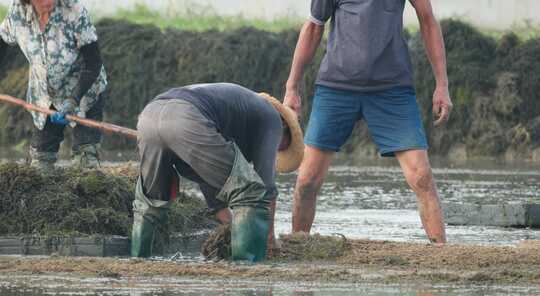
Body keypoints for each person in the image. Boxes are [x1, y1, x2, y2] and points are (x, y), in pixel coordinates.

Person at [284, 0, 452, 244]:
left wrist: (442, 85)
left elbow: (427, 21)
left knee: (422, 176)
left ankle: (442, 254)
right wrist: (292, 87)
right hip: (336, 87)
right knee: (307, 179)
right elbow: (313, 27)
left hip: (391, 88)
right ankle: (298, 245)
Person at [132, 83, 303, 262]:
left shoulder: (236, 111)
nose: (276, 150)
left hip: (149, 117)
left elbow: (207, 177)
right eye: (281, 145)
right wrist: (269, 240)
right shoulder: (272, 119)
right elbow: (265, 186)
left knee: (150, 202)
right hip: (186, 116)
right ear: (284, 126)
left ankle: (138, 263)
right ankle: (247, 273)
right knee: (251, 191)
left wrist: (232, 229)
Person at [0, 0, 107, 169]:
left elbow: (94, 63)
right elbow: (3, 44)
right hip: (45, 97)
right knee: (40, 164)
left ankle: (87, 162)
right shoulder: (18, 13)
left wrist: (73, 100)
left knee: (86, 164)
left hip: (84, 93)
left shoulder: (74, 11)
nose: (48, 1)